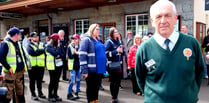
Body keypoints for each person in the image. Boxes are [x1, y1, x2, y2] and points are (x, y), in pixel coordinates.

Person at [135, 0, 204, 103]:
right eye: (158, 17)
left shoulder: (191, 43)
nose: (163, 21)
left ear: (175, 19)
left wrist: (190, 94)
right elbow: (140, 79)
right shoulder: (143, 49)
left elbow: (199, 72)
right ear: (152, 21)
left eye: (167, 15)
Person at [79, 24, 106, 103]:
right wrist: (84, 70)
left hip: (99, 69)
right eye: (96, 29)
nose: (98, 30)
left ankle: (95, 101)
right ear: (91, 30)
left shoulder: (98, 40)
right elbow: (82, 55)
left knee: (96, 87)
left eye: (99, 29)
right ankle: (91, 101)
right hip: (91, 69)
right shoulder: (86, 40)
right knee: (91, 88)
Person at [0, 27, 27, 103]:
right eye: (20, 34)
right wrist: (9, 68)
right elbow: (1, 57)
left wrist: (24, 66)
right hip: (10, 73)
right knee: (8, 92)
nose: (21, 36)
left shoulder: (18, 43)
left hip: (19, 72)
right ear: (16, 35)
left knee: (20, 91)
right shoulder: (5, 44)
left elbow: (22, 56)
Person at [105, 27, 124, 103]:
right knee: (113, 82)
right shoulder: (109, 42)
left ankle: (116, 96)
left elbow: (121, 53)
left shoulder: (119, 41)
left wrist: (121, 52)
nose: (117, 33)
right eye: (115, 32)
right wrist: (116, 51)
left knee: (118, 82)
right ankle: (113, 97)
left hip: (119, 65)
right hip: (112, 65)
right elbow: (106, 53)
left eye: (117, 31)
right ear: (112, 33)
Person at [26, 32, 46, 100]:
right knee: (32, 81)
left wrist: (39, 51)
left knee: (39, 81)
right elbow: (32, 53)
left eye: (37, 36)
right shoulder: (29, 45)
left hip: (40, 66)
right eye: (34, 37)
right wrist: (42, 50)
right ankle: (33, 94)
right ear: (31, 38)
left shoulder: (42, 44)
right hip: (32, 66)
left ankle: (40, 93)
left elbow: (45, 51)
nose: (36, 38)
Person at [46, 33, 65, 102]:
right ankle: (50, 95)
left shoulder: (59, 45)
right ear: (55, 40)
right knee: (52, 81)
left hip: (59, 65)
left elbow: (63, 54)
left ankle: (55, 94)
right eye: (58, 40)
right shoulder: (49, 46)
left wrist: (58, 55)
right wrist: (58, 52)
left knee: (57, 81)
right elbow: (55, 53)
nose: (59, 41)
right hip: (52, 66)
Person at [67, 34, 81, 100]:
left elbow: (82, 56)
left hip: (79, 66)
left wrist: (77, 54)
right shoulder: (70, 46)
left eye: (76, 39)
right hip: (72, 66)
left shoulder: (81, 46)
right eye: (73, 39)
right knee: (73, 81)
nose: (74, 40)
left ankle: (77, 92)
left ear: (78, 40)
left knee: (78, 80)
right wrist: (76, 54)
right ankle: (69, 93)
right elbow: (69, 56)